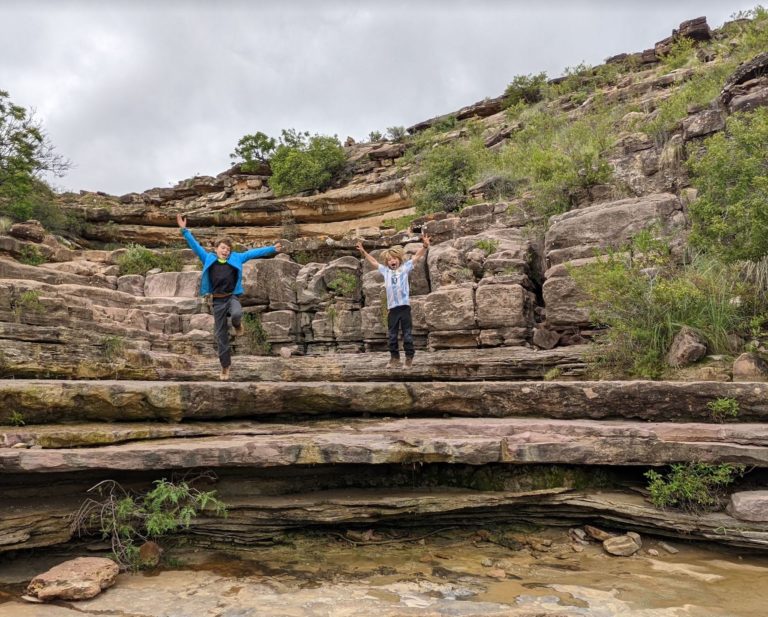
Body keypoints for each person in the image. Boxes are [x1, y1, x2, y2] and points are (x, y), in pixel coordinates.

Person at [177, 213, 281, 380]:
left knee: (237, 314)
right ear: (216, 248)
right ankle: (225, 367)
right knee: (221, 336)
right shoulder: (208, 258)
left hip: (231, 297)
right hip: (217, 301)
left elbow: (253, 253)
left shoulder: (236, 257)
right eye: (223, 248)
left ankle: (238, 325)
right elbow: (195, 246)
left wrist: (271, 249)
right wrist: (184, 230)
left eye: (228, 249)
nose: (226, 251)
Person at [356, 233, 430, 368]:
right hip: (392, 310)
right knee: (392, 336)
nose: (392, 261)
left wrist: (424, 246)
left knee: (407, 335)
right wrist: (363, 252)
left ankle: (409, 358)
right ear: (387, 262)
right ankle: (394, 358)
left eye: (394, 258)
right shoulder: (385, 271)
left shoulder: (405, 268)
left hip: (404, 308)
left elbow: (416, 257)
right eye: (389, 259)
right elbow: (373, 262)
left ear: (399, 260)